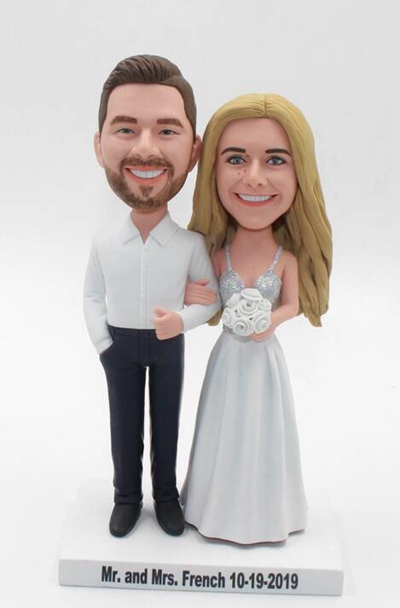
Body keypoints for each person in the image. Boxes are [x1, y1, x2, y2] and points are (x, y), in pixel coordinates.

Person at [181, 93, 332, 544]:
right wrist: (191, 300)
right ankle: (213, 504)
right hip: (228, 358)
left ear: (300, 172)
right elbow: (208, 300)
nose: (253, 177)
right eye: (235, 159)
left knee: (264, 429)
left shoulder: (286, 258)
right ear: (212, 171)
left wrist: (272, 321)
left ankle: (267, 511)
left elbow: (293, 304)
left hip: (264, 360)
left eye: (275, 160)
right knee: (224, 426)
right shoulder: (216, 254)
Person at [83, 55, 220, 538]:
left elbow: (212, 299)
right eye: (125, 129)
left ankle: (165, 497)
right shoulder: (105, 243)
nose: (145, 148)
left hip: (167, 345)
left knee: (167, 423)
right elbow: (92, 296)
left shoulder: (189, 245)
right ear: (99, 146)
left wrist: (183, 321)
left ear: (194, 149)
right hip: (120, 345)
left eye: (166, 131)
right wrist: (104, 343)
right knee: (124, 426)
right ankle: (126, 497)